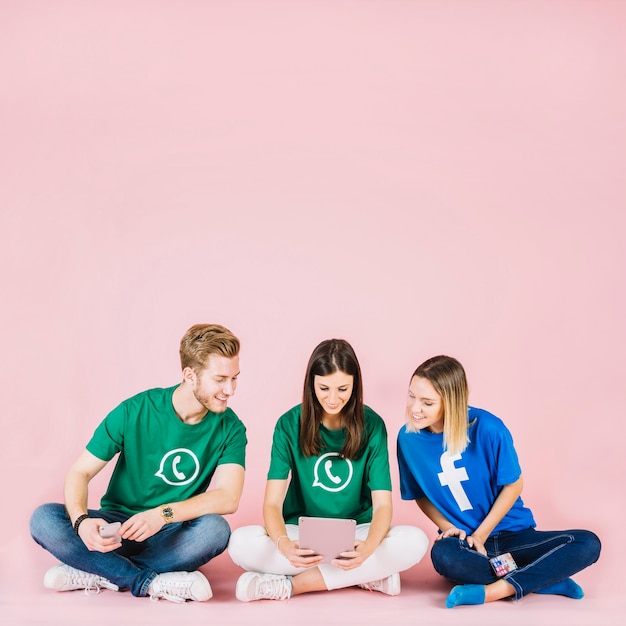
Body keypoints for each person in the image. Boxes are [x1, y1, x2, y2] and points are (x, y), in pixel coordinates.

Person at [30, 323, 247, 603]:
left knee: (215, 530)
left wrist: (161, 515)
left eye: (235, 378)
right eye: (220, 379)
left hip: (171, 530)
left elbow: (228, 498)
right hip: (116, 528)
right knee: (44, 518)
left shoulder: (231, 428)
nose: (230, 389)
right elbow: (80, 472)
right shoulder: (135, 410)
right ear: (190, 375)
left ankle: (99, 572)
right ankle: (147, 580)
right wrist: (82, 522)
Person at [228, 338, 428, 602]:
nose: (333, 399)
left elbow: (382, 506)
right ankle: (367, 575)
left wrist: (367, 549)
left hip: (358, 531)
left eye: (343, 389)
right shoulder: (288, 424)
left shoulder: (373, 425)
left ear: (355, 385)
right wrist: (284, 545)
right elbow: (272, 504)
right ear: (311, 383)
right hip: (301, 533)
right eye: (324, 388)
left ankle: (292, 586)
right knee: (241, 543)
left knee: (416, 540)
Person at [397, 355, 601, 609]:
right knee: (443, 556)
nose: (415, 408)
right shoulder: (407, 439)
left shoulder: (489, 428)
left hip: (513, 535)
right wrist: (447, 526)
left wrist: (482, 535)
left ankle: (494, 591)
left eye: (427, 402)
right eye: (411, 396)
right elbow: (419, 494)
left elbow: (514, 485)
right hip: (464, 543)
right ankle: (542, 579)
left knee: (587, 543)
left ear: (451, 402)